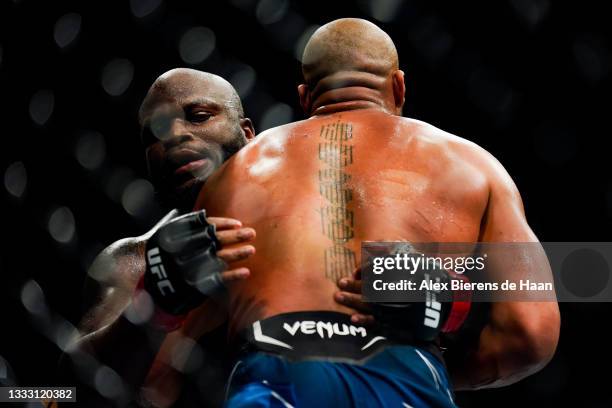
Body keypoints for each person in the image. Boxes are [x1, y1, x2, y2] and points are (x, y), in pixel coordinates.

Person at [187, 18, 560, 407]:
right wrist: (438, 367)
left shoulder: (233, 174)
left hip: (273, 374)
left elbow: (176, 341)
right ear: (399, 86)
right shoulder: (474, 164)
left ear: (304, 96)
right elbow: (532, 332)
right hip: (404, 374)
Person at [62, 68, 257, 407]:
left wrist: (382, 294)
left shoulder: (316, 210)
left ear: (247, 133)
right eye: (156, 131)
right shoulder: (132, 260)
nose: (174, 136)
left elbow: (380, 247)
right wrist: (154, 302)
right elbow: (56, 394)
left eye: (197, 117)